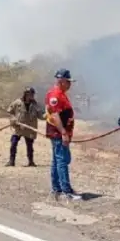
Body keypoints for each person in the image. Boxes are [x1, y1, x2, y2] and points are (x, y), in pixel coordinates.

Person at [45, 68, 81, 201]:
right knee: (62, 161)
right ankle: (66, 191)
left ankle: (57, 189)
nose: (70, 84)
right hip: (58, 133)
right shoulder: (55, 94)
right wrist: (64, 133)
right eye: (68, 81)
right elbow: (55, 115)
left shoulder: (61, 94)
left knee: (57, 160)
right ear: (61, 81)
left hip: (59, 133)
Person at [5, 87, 44, 167]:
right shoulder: (17, 102)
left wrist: (48, 115)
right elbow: (10, 111)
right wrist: (13, 119)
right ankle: (11, 161)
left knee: (29, 145)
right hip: (18, 127)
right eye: (30, 94)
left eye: (32, 94)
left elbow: (41, 116)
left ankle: (31, 161)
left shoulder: (35, 105)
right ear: (26, 94)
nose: (31, 96)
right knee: (13, 143)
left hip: (29, 128)